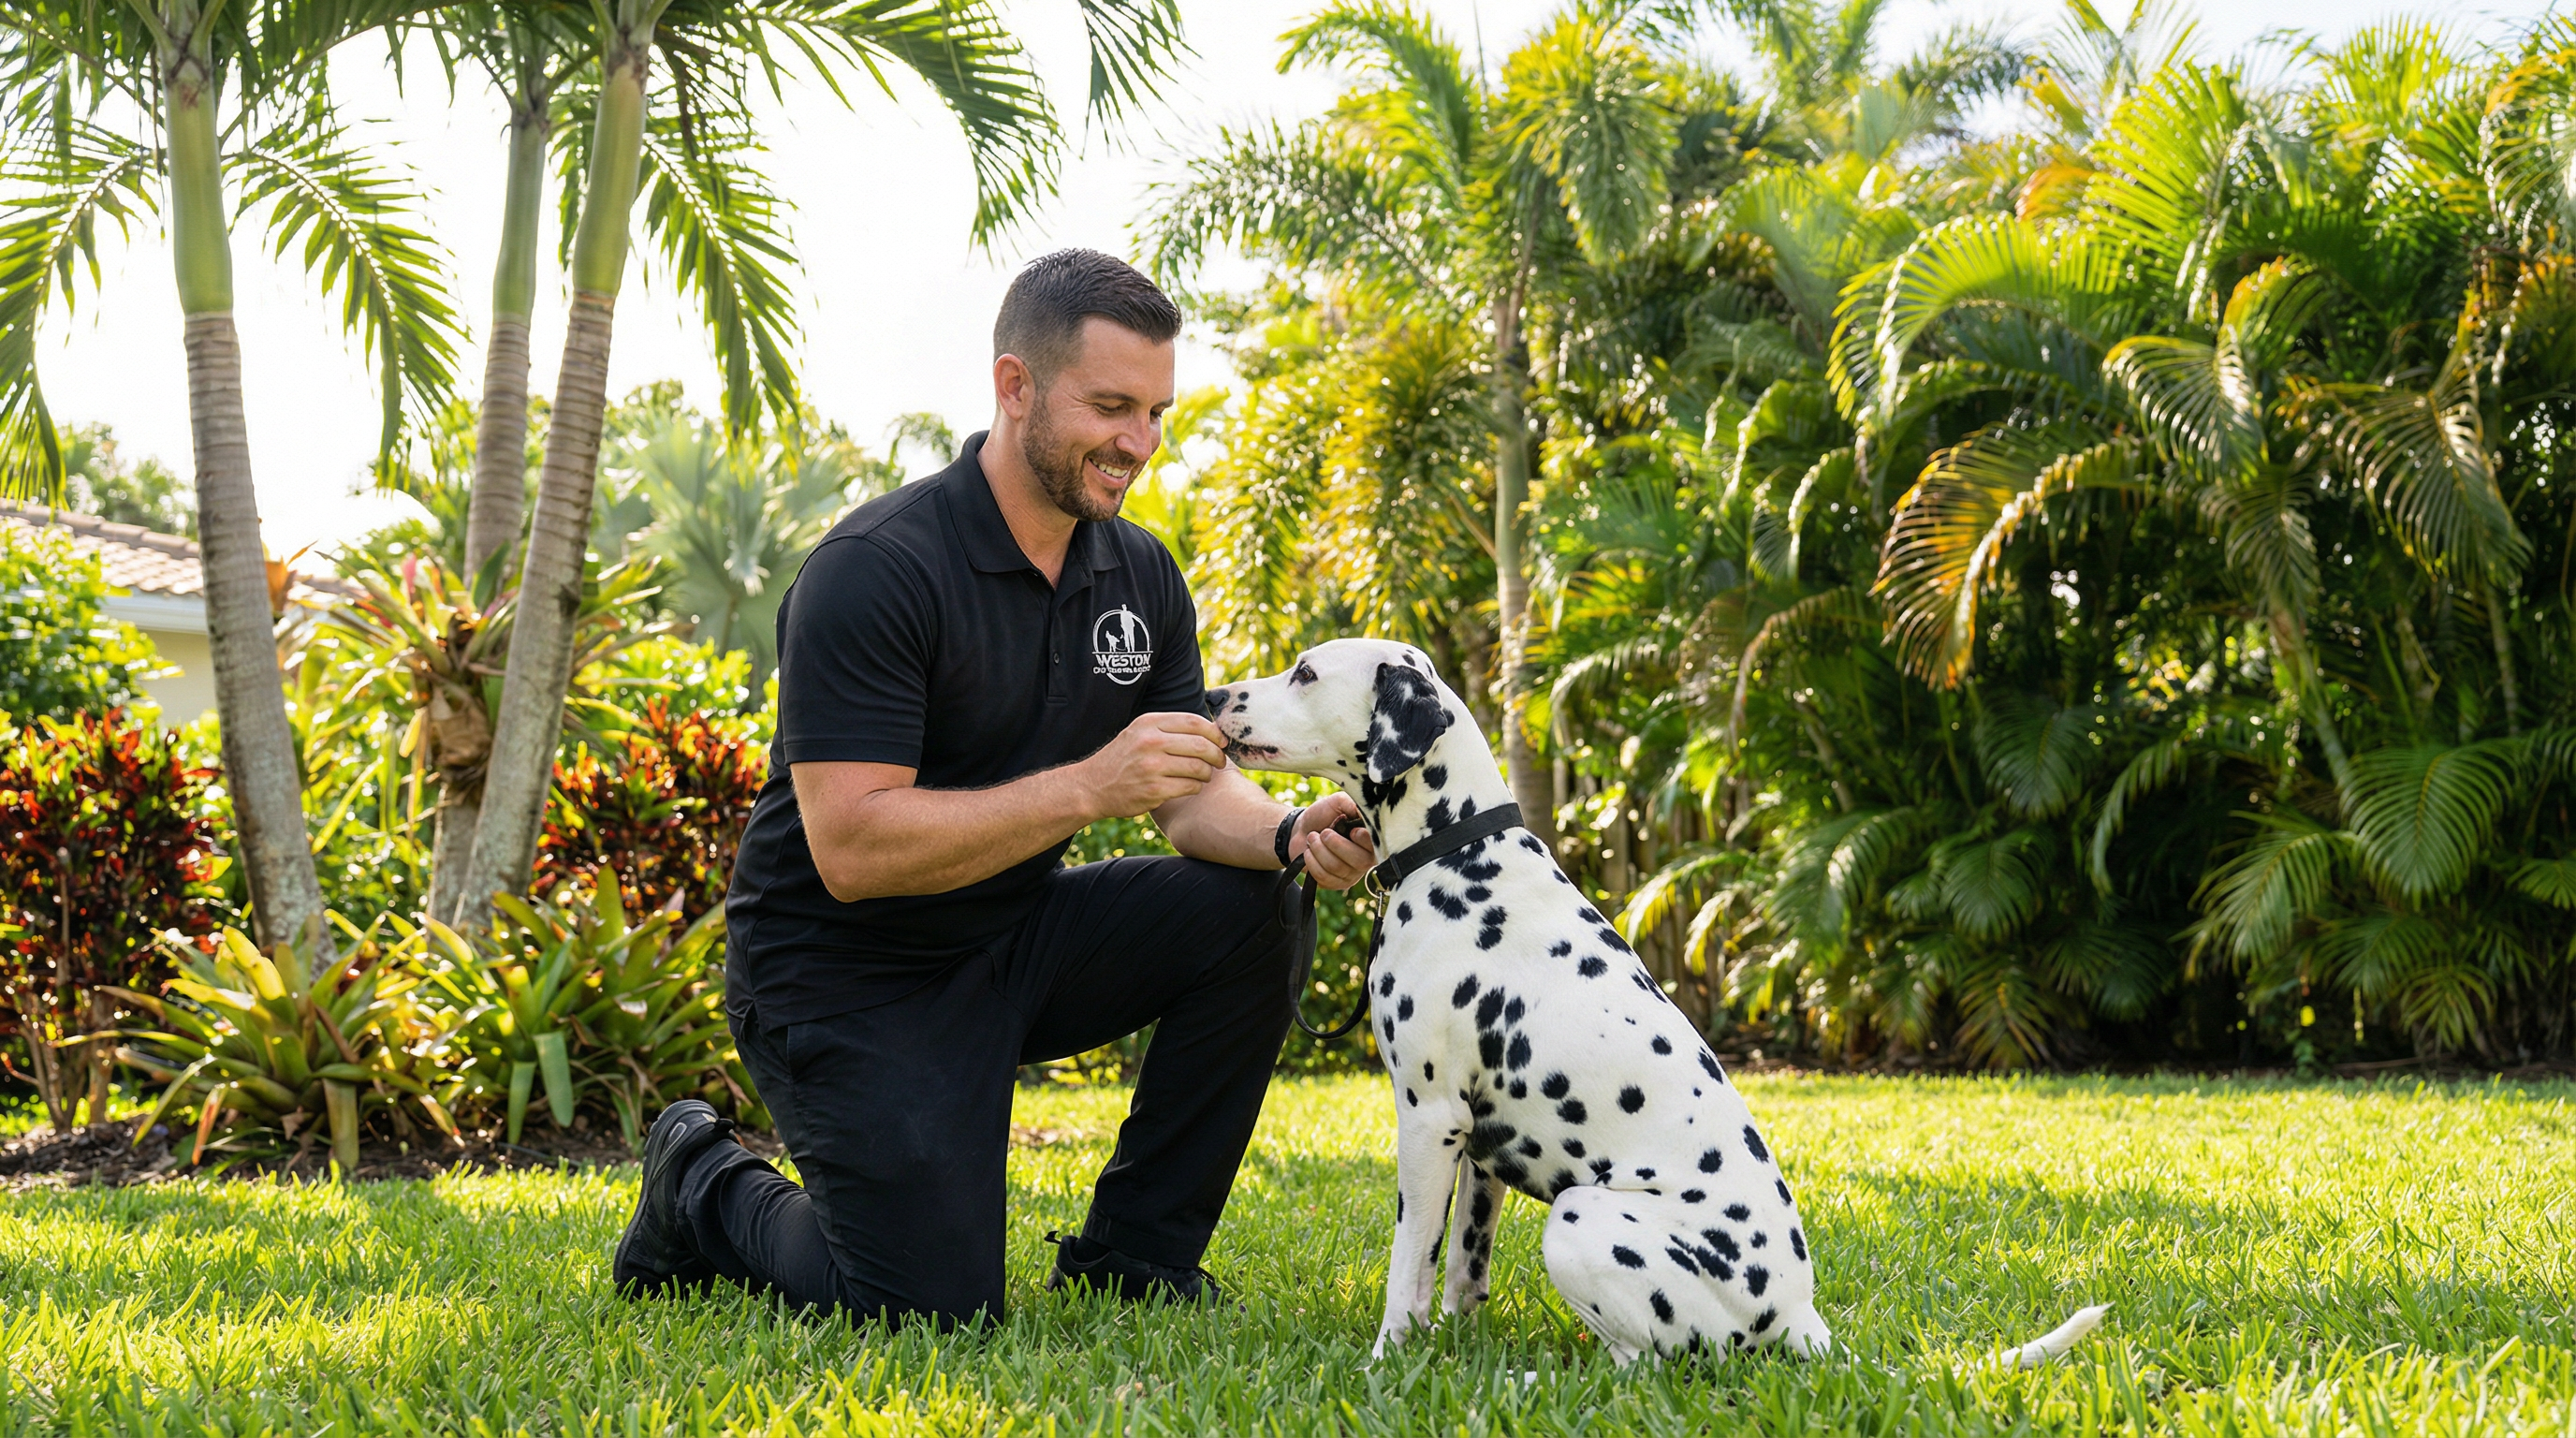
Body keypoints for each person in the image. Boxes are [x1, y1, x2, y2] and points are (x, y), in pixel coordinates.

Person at [608, 248, 1378, 1328]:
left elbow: (1187, 796)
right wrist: (1083, 790)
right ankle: (699, 1178)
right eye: (1110, 406)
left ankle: (1133, 1258)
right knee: (924, 1310)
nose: (1139, 443)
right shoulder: (875, 568)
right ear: (1014, 386)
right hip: (840, 973)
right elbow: (852, 847)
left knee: (1250, 904)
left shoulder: (1140, 573)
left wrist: (1290, 832)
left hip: (1009, 938)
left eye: (1156, 411)